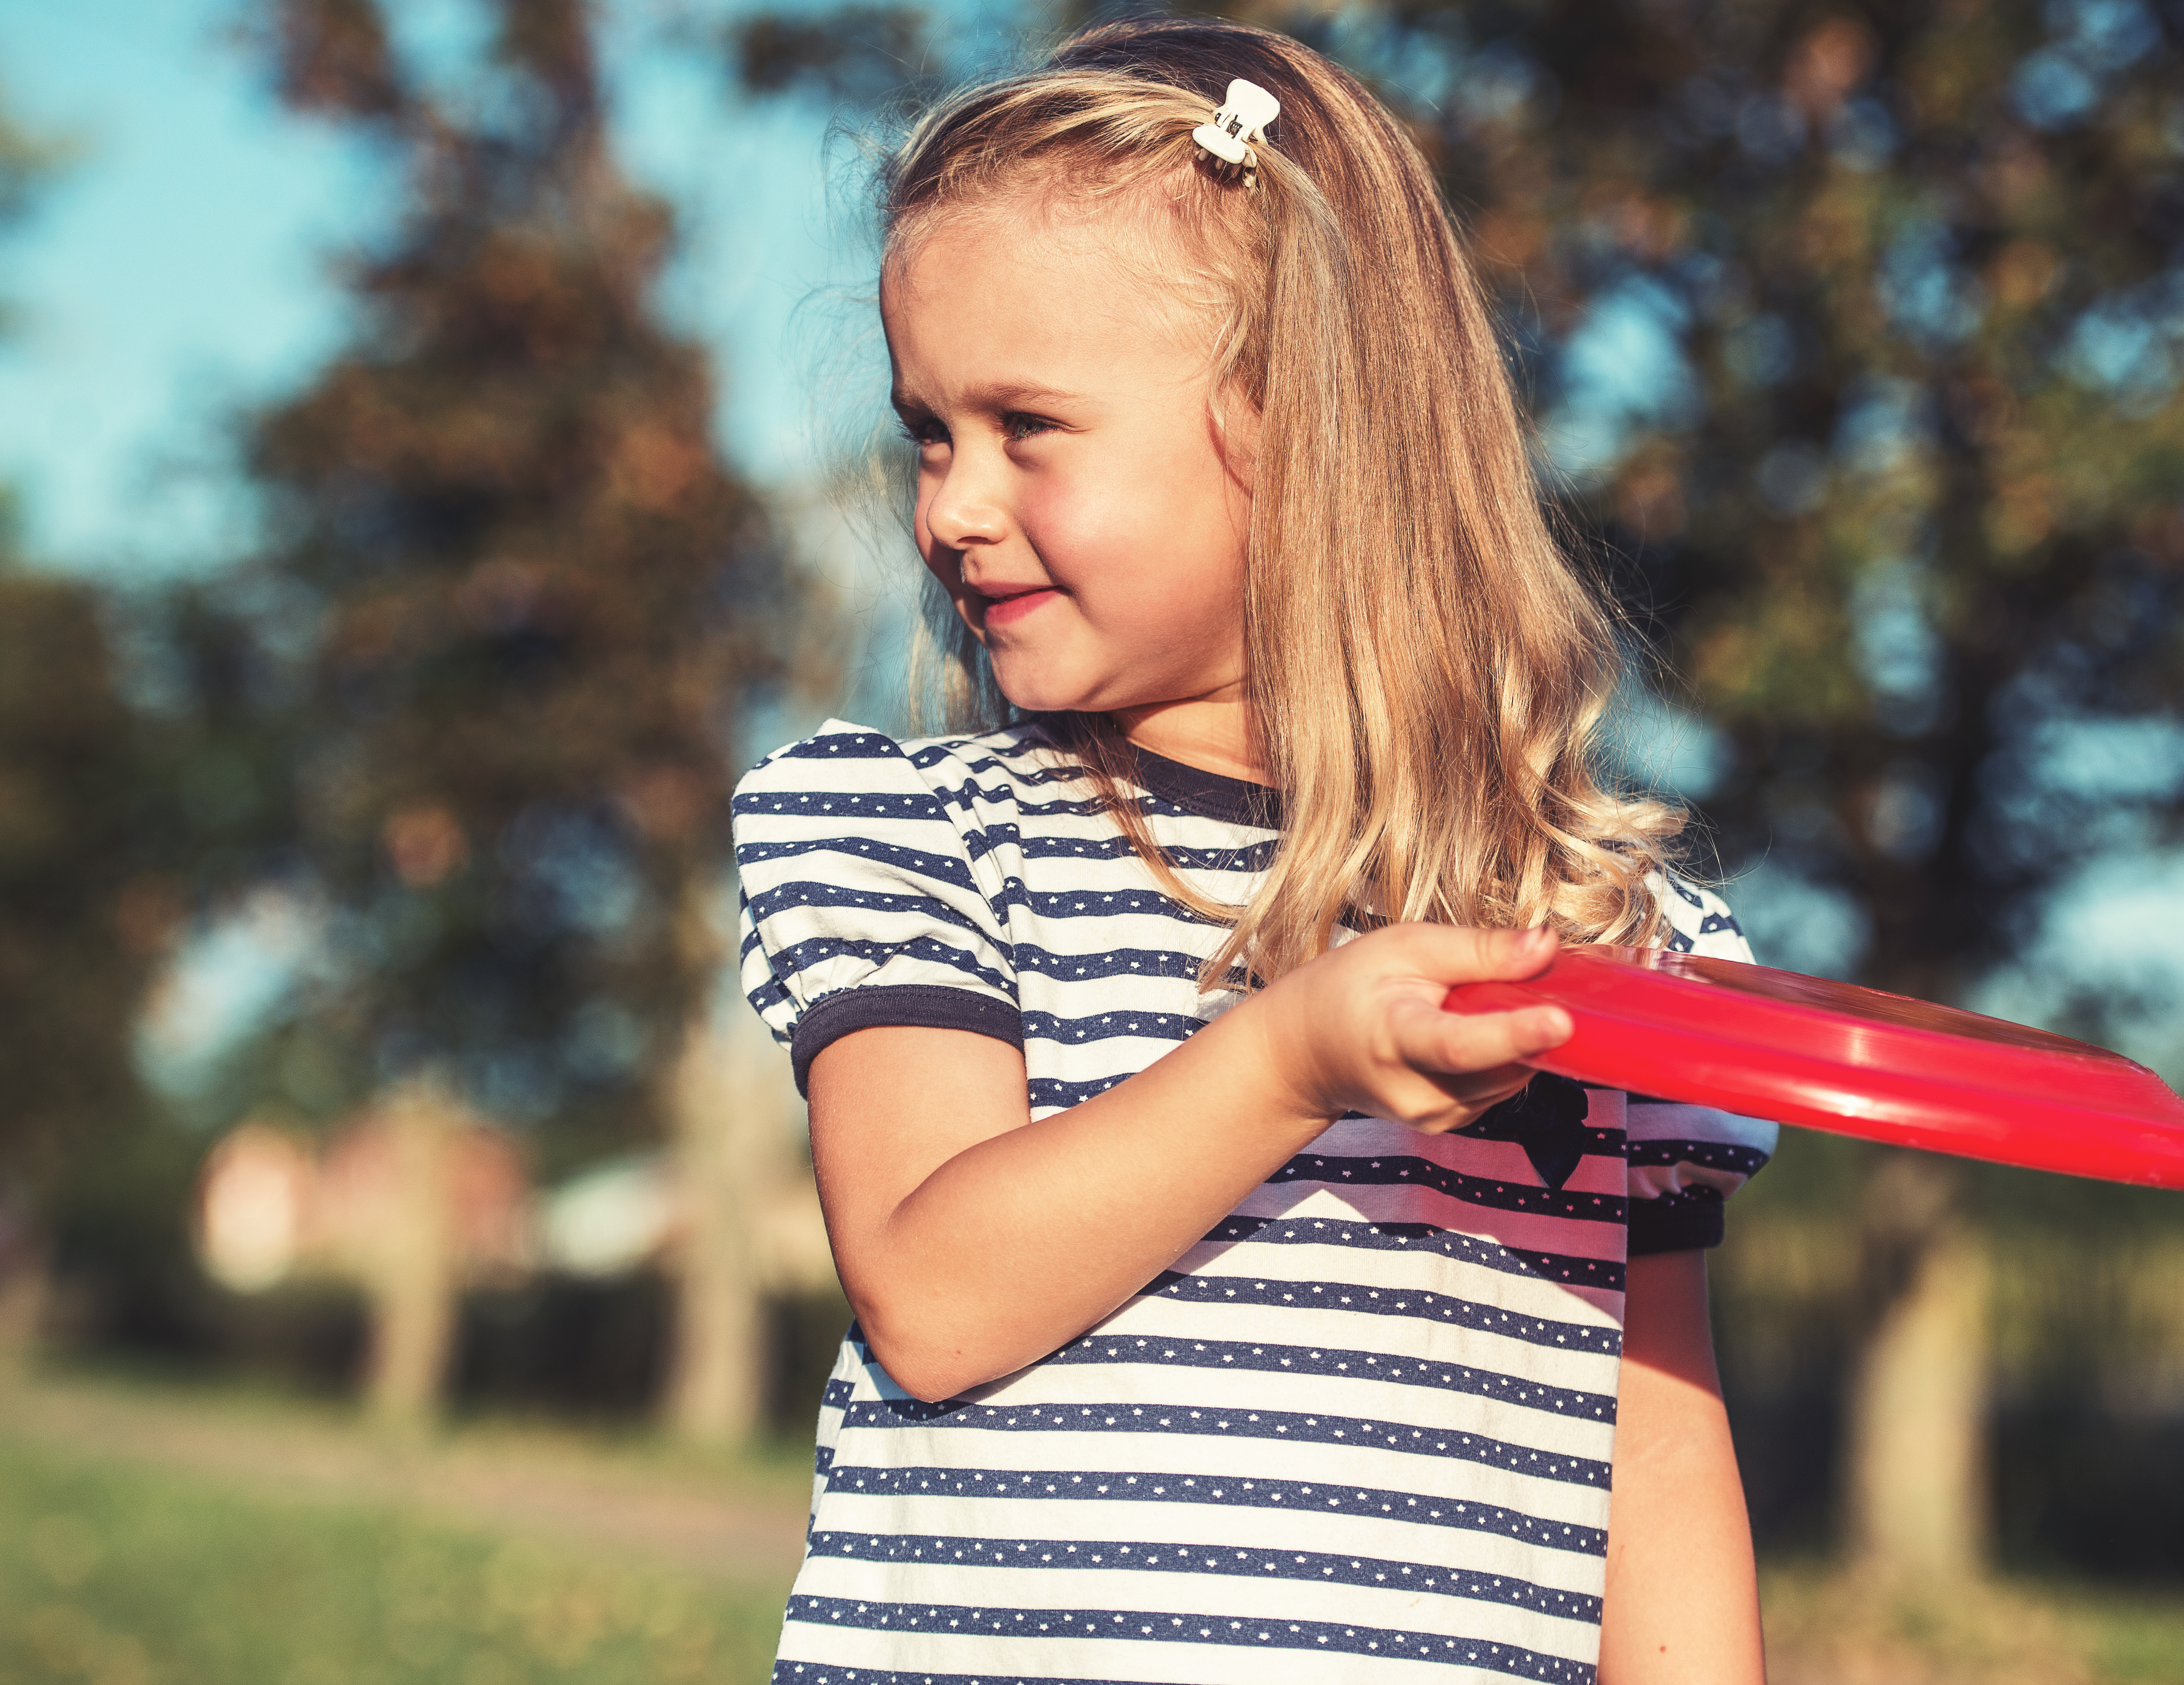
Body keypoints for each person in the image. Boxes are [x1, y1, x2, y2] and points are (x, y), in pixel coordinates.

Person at [734, 18, 1776, 1682]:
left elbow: (1652, 1456)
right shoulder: (917, 839)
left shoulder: (1587, 949)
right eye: (930, 430)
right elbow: (930, 1295)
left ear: (1297, 428)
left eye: (1025, 426)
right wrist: (1291, 1058)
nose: (948, 505)